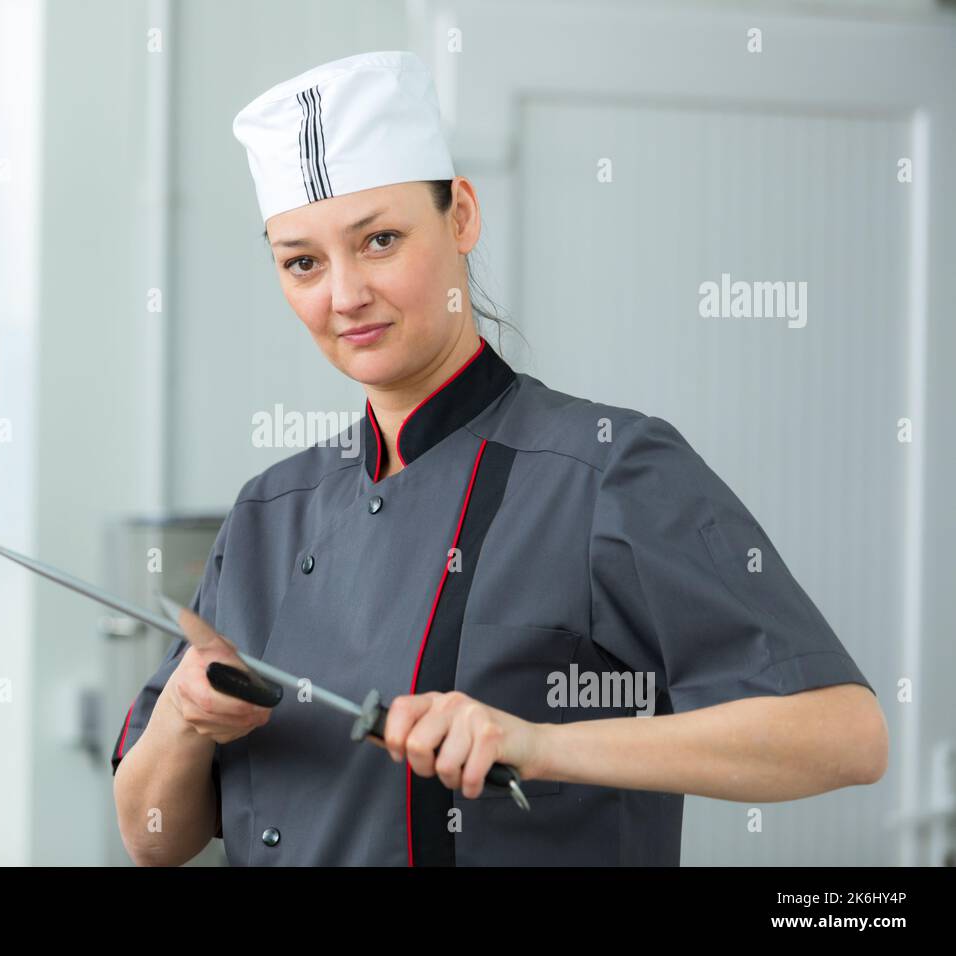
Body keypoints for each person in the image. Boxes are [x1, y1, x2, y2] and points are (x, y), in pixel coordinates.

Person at [110, 50, 887, 867]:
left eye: (379, 240)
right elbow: (150, 838)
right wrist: (185, 717)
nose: (343, 295)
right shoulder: (270, 511)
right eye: (302, 261)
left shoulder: (606, 471)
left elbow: (843, 734)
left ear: (462, 218)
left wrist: (539, 744)